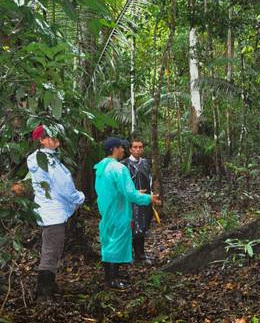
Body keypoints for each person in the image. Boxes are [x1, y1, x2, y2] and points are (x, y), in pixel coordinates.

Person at [27, 124, 85, 302]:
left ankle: (48, 286)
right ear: (42, 140)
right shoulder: (47, 161)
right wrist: (79, 198)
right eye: (51, 136)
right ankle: (44, 293)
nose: (56, 138)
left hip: (48, 211)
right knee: (51, 252)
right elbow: (63, 186)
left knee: (51, 250)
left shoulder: (40, 158)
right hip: (53, 213)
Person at [94, 137, 160, 289]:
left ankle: (113, 275)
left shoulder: (100, 168)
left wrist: (135, 192)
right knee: (116, 244)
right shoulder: (119, 168)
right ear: (114, 149)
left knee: (108, 242)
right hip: (119, 211)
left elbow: (113, 189)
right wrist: (148, 198)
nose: (123, 150)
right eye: (120, 147)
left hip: (107, 210)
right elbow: (130, 194)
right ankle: (112, 280)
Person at [121, 138, 155, 264]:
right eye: (135, 147)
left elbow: (150, 179)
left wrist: (150, 196)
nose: (138, 149)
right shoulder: (124, 164)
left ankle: (140, 255)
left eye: (140, 147)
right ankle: (128, 255)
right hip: (130, 202)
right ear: (130, 149)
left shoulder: (145, 163)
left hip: (145, 200)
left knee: (142, 227)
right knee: (131, 228)